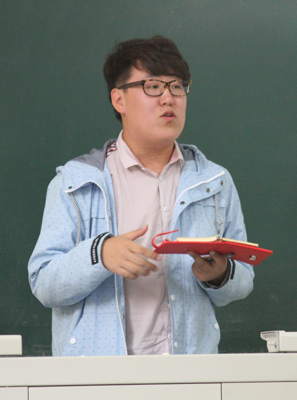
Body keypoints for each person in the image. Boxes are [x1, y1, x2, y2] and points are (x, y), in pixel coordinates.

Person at [28, 35, 254, 356]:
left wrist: (220, 275)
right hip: (101, 375)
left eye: (177, 86)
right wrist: (99, 254)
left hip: (190, 374)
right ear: (119, 100)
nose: (168, 98)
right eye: (153, 86)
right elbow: (44, 283)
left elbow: (243, 280)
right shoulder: (77, 182)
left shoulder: (214, 182)